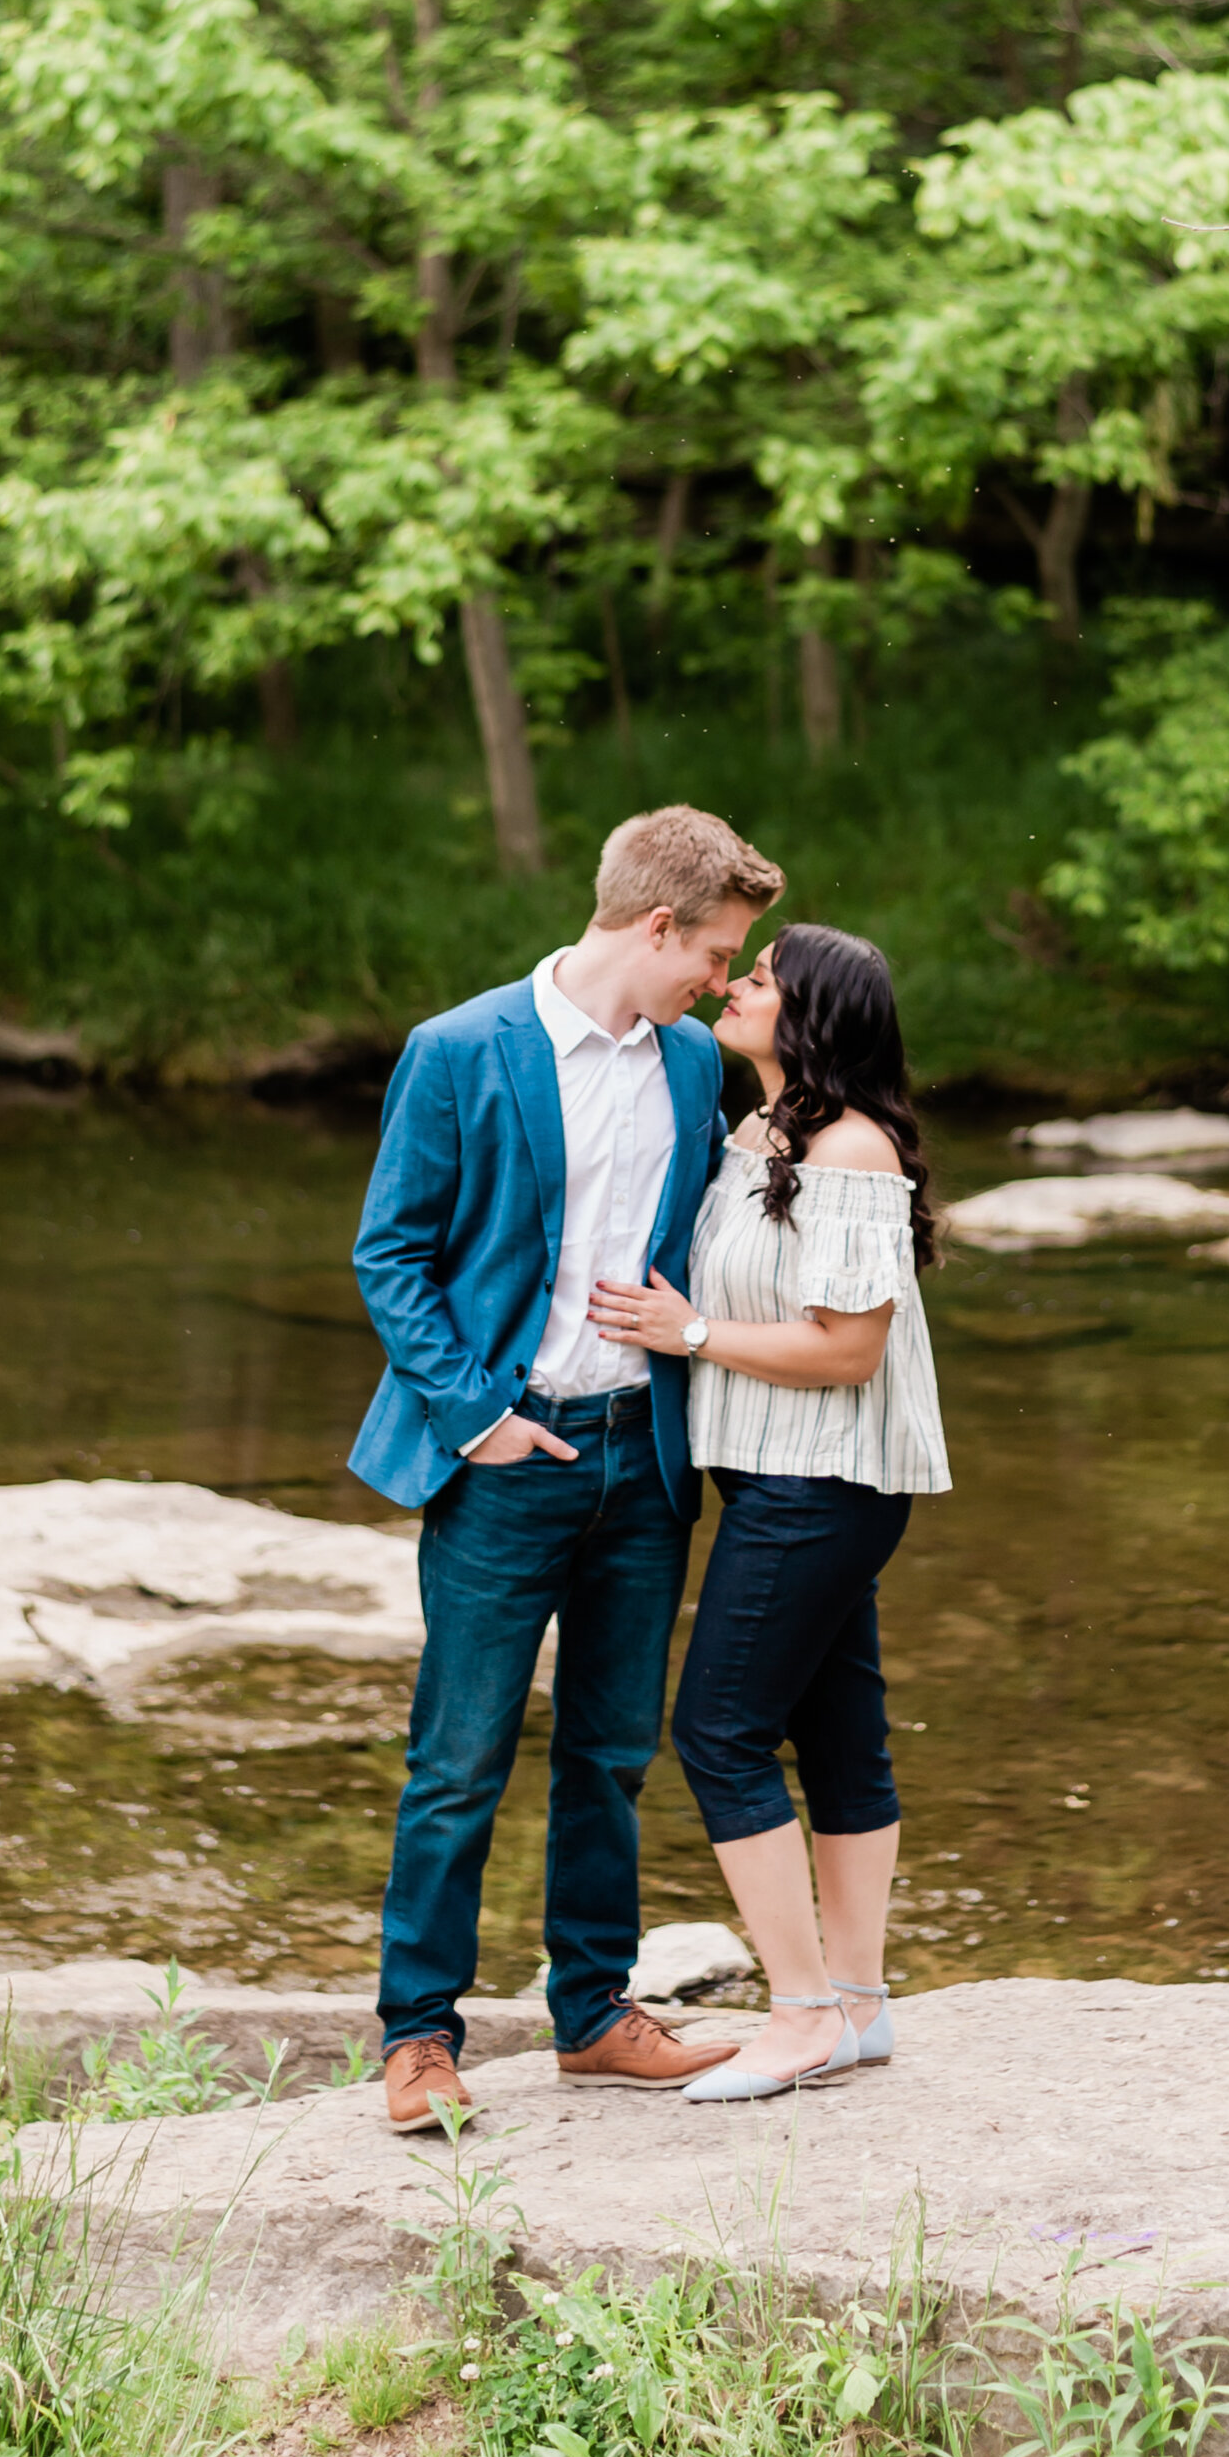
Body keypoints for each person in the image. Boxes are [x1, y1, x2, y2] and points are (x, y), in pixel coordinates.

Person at [351, 803, 785, 2133]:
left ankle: (594, 2014)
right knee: (460, 1757)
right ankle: (418, 2037)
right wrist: (475, 1414)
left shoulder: (699, 1061)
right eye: (714, 951)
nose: (721, 977)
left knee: (608, 1750)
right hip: (508, 1454)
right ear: (656, 925)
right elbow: (392, 1254)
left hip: (641, 1456)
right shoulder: (460, 1049)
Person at [587, 923, 946, 2103]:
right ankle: (855, 2004)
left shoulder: (850, 1146)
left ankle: (796, 2018)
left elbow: (847, 1352)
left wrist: (684, 1332)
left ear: (811, 1018)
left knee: (720, 1733)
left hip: (825, 1481)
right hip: (777, 1473)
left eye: (759, 977)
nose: (735, 988)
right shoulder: (764, 1127)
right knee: (843, 1734)